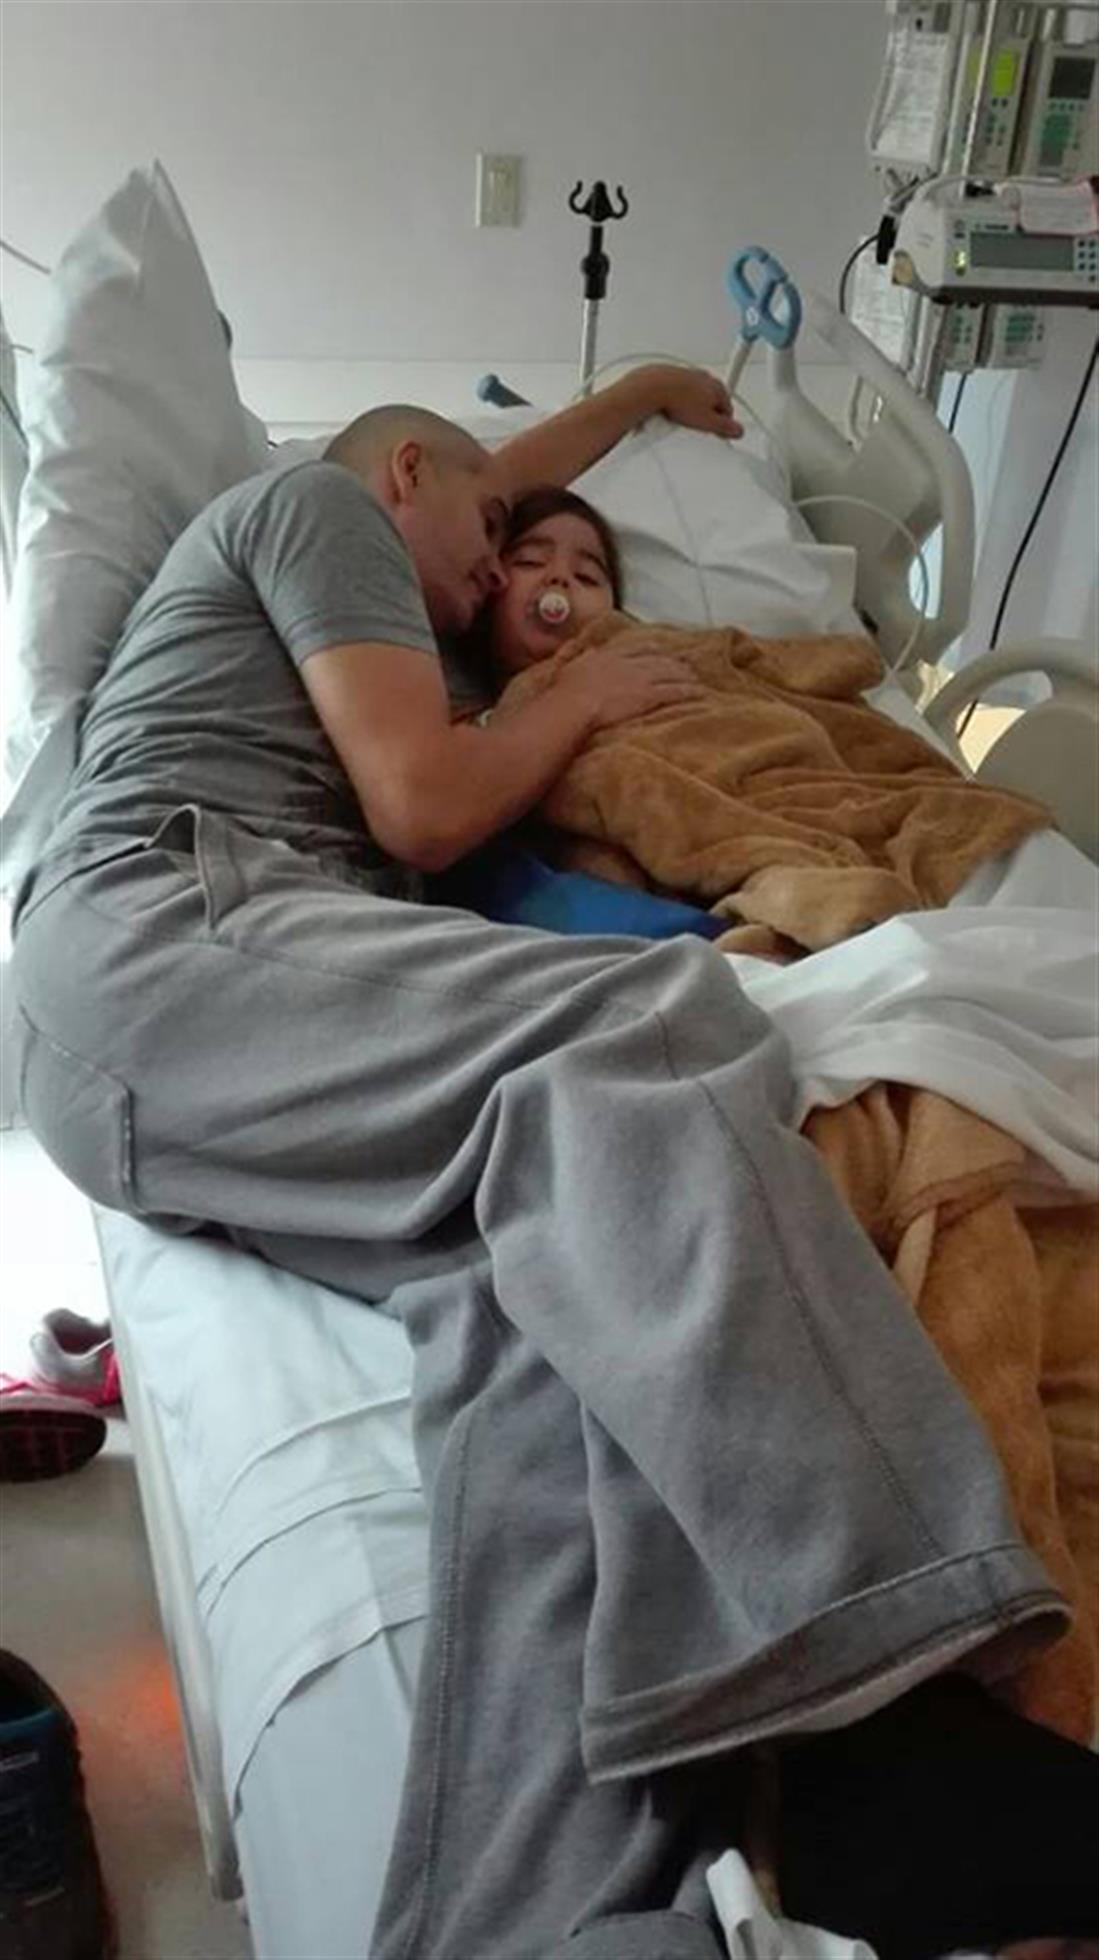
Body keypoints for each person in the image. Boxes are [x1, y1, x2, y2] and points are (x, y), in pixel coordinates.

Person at [8, 372, 1096, 1960]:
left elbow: (496, 479)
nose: (492, 571)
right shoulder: (317, 507)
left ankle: (544, 1919)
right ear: (404, 472)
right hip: (169, 929)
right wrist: (571, 700)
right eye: (486, 532)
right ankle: (893, 1719)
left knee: (554, 1297)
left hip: (185, 1042)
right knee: (660, 1020)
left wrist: (645, 391)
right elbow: (421, 806)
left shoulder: (404, 540)